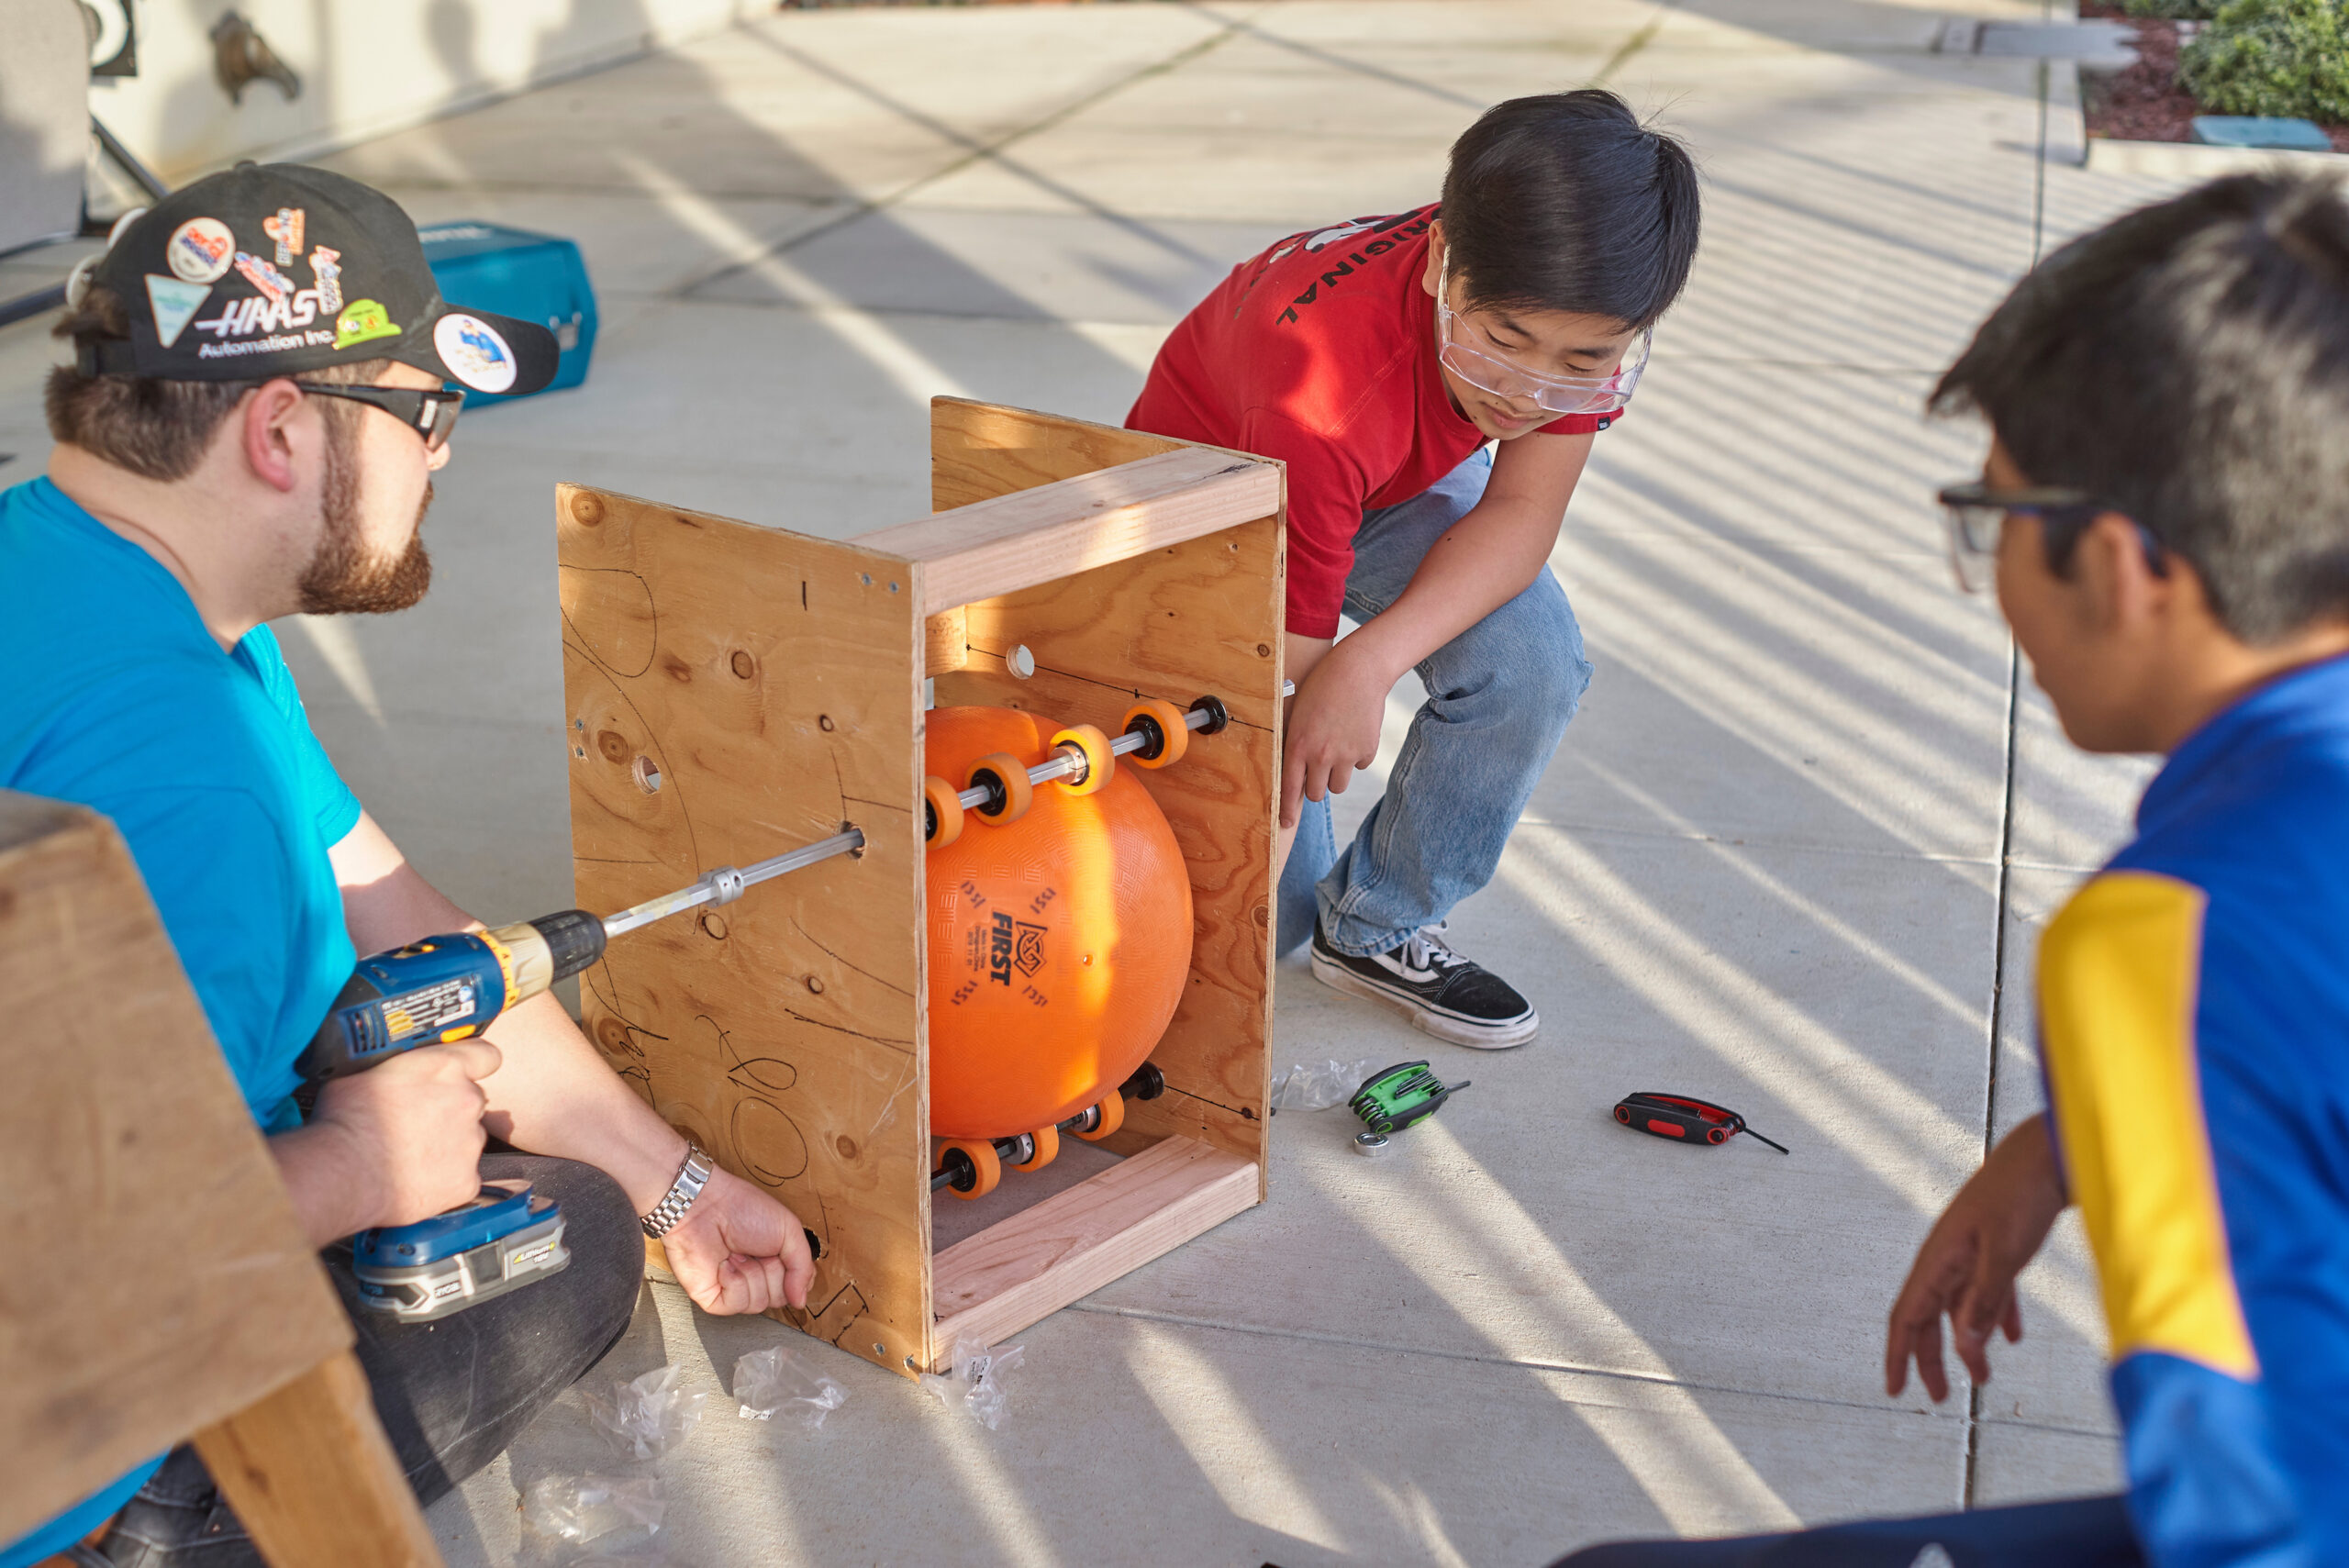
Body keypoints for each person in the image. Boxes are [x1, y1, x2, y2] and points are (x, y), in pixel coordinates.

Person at [0, 164, 815, 1568]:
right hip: (69, 1443)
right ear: (278, 429)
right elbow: (67, 1274)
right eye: (425, 416)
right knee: (569, 1233)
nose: (441, 459)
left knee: (508, 1124)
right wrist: (356, 1166)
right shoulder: (190, 776)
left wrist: (677, 1183)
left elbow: (402, 926)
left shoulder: (92, 574)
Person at [1560, 173, 2349, 1565]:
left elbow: (2263, 1517)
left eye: (1992, 523)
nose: (1988, 583)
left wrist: (2157, 1060)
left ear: (2122, 567)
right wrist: (2075, 1137)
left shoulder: (2167, 941)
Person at [1127, 88, 1699, 1049]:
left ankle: (1377, 923)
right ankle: (1304, 918)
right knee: (1271, 916)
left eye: (1582, 360)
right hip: (1225, 499)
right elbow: (1283, 691)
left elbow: (1520, 514)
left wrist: (1372, 659)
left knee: (1531, 663)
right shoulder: (1317, 396)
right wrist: (1323, 686)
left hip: (1380, 476)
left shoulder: (1558, 289)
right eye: (1504, 341)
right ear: (1440, 261)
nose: (1529, 391)